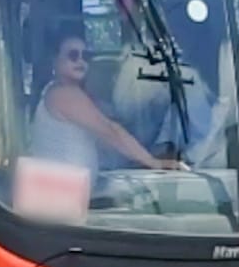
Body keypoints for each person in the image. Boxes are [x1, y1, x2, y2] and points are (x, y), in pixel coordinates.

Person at [28, 26, 186, 174]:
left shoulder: (64, 92)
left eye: (86, 55)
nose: (80, 61)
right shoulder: (63, 94)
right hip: (63, 196)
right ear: (55, 61)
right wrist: (154, 163)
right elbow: (110, 131)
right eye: (73, 55)